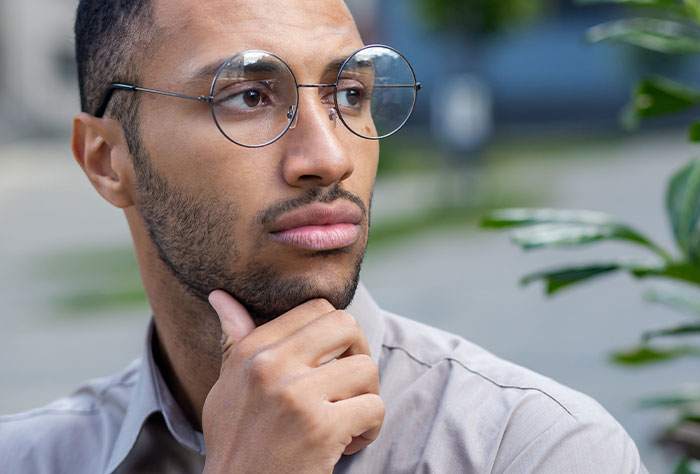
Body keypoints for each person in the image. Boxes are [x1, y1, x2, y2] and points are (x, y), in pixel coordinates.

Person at [0, 0, 648, 472]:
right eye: (249, 96)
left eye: (349, 91)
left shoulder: (532, 450)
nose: (329, 156)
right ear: (106, 160)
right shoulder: (29, 459)